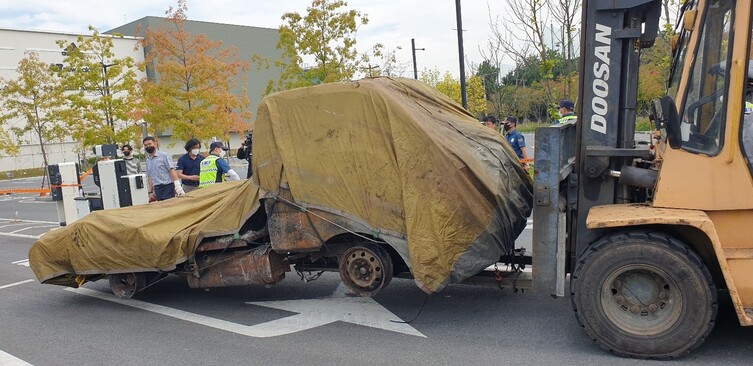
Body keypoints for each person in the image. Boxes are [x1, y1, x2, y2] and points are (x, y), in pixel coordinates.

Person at [143, 136, 184, 201]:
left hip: (167, 187)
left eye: (149, 144)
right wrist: (150, 191)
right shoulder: (148, 160)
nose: (148, 146)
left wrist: (177, 186)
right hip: (157, 189)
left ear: (155, 144)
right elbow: (150, 176)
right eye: (145, 145)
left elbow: (172, 170)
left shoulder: (164, 156)